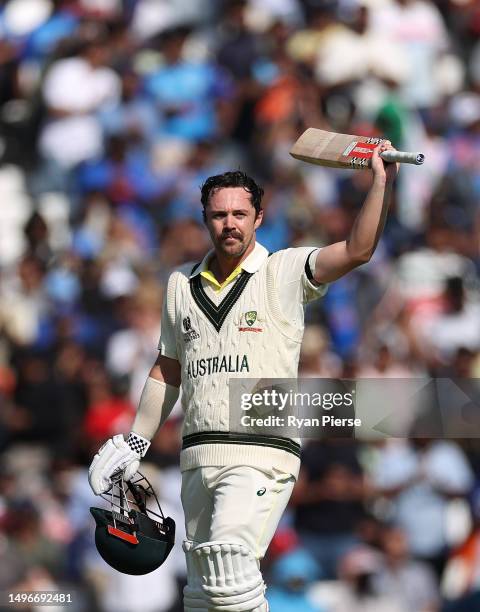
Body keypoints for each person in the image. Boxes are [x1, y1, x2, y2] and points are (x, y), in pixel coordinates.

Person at [88, 141, 398, 611]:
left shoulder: (284, 270)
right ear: (204, 219)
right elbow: (168, 367)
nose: (229, 223)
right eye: (218, 215)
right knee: (202, 593)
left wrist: (378, 181)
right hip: (197, 455)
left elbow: (357, 250)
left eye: (239, 213)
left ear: (257, 217)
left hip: (261, 450)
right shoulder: (181, 287)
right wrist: (136, 441)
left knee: (230, 564)